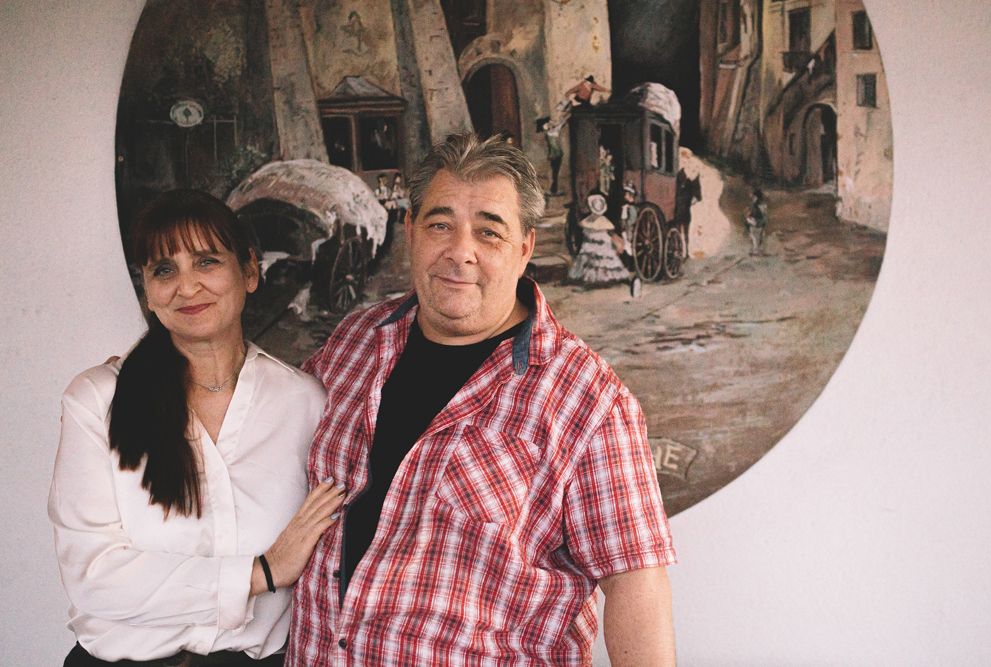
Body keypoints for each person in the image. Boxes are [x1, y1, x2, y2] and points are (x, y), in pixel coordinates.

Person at [289, 133, 676, 665]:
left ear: (524, 249)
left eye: (489, 232)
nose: (460, 251)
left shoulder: (586, 399)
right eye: (440, 225)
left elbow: (636, 583)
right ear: (410, 230)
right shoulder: (354, 343)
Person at [49, 190, 346, 666]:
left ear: (250, 272)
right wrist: (262, 573)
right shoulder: (98, 399)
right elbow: (92, 576)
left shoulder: (305, 402)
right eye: (164, 270)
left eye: (207, 262)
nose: (186, 288)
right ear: (148, 291)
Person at [569, 192, 633, 287]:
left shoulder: (591, 221)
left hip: (593, 243)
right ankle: (600, 277)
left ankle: (598, 277)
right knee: (601, 257)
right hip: (599, 243)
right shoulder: (601, 221)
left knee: (593, 257)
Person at [745, 187, 768, 256]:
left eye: (753, 196)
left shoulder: (754, 204)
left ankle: (756, 251)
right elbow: (764, 214)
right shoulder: (763, 204)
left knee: (754, 236)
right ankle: (759, 250)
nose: (752, 198)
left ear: (756, 196)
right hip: (760, 222)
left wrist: (748, 217)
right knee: (759, 236)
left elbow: (752, 213)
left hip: (756, 222)